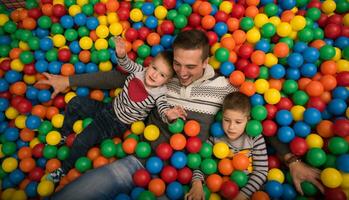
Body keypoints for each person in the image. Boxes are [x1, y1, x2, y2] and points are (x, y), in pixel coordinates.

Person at [40, 29, 323, 199]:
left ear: (206, 62)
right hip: (140, 160)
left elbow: (254, 122)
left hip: (189, 176)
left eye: (191, 66)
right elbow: (118, 77)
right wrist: (69, 81)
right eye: (178, 64)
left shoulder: (224, 88)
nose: (182, 73)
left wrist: (291, 159)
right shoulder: (164, 78)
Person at [42, 37, 186, 183]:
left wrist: (170, 114)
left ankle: (63, 170)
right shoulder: (139, 71)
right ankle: (64, 135)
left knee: (82, 139)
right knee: (75, 102)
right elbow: (126, 64)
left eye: (162, 75)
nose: (154, 75)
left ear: (167, 81)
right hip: (109, 107)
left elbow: (163, 109)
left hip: (116, 123)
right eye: (154, 68)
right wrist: (122, 54)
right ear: (150, 65)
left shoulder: (160, 94)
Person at [186, 92, 268, 200]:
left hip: (249, 192)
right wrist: (197, 184)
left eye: (238, 122)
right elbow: (200, 162)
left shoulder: (255, 138)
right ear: (222, 116)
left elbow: (261, 172)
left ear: (248, 120)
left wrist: (242, 196)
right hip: (219, 191)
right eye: (227, 120)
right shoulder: (216, 138)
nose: (231, 127)